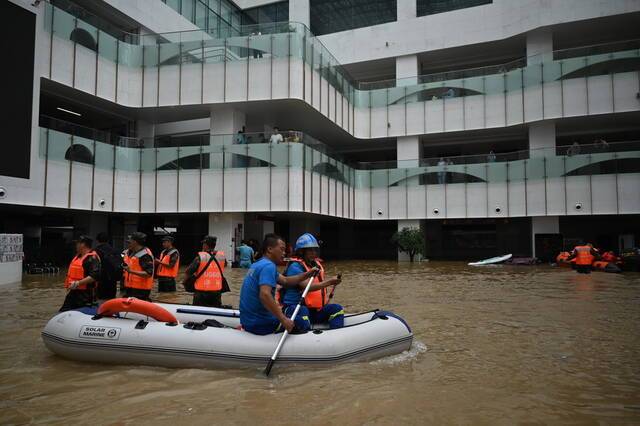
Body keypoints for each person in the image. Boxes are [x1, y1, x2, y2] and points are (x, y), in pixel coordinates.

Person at [239, 233, 318, 335]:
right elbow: (265, 295)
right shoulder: (268, 266)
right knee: (302, 322)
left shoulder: (258, 264)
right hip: (261, 323)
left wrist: (307, 274)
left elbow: (285, 281)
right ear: (270, 249)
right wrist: (283, 320)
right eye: (281, 249)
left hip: (248, 321)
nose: (284, 253)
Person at [281, 233, 343, 331]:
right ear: (301, 252)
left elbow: (319, 284)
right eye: (310, 250)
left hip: (313, 311)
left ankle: (336, 335)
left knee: (336, 308)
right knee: (303, 311)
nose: (314, 252)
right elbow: (306, 286)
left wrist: (332, 281)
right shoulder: (295, 266)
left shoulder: (314, 265)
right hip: (295, 308)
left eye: (315, 249)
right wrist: (330, 282)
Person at [59, 235, 101, 312]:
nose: (76, 246)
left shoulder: (92, 258)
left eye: (77, 243)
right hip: (74, 293)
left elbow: (94, 276)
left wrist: (78, 283)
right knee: (63, 312)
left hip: (86, 295)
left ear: (83, 244)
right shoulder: (78, 256)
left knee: (82, 313)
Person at [184, 235, 227, 307]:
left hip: (201, 293)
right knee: (215, 313)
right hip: (216, 292)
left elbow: (188, 272)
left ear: (205, 245)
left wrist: (184, 282)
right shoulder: (221, 256)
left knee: (199, 315)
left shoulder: (200, 257)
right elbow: (225, 265)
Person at [122, 232, 154, 301]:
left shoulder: (145, 255)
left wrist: (130, 271)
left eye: (130, 241)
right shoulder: (132, 252)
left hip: (141, 290)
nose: (128, 243)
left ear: (135, 242)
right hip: (130, 288)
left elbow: (148, 274)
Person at [94, 232, 122, 303]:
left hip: (100, 281)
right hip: (113, 281)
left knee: (99, 302)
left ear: (97, 240)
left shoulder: (95, 251)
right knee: (111, 301)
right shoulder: (115, 250)